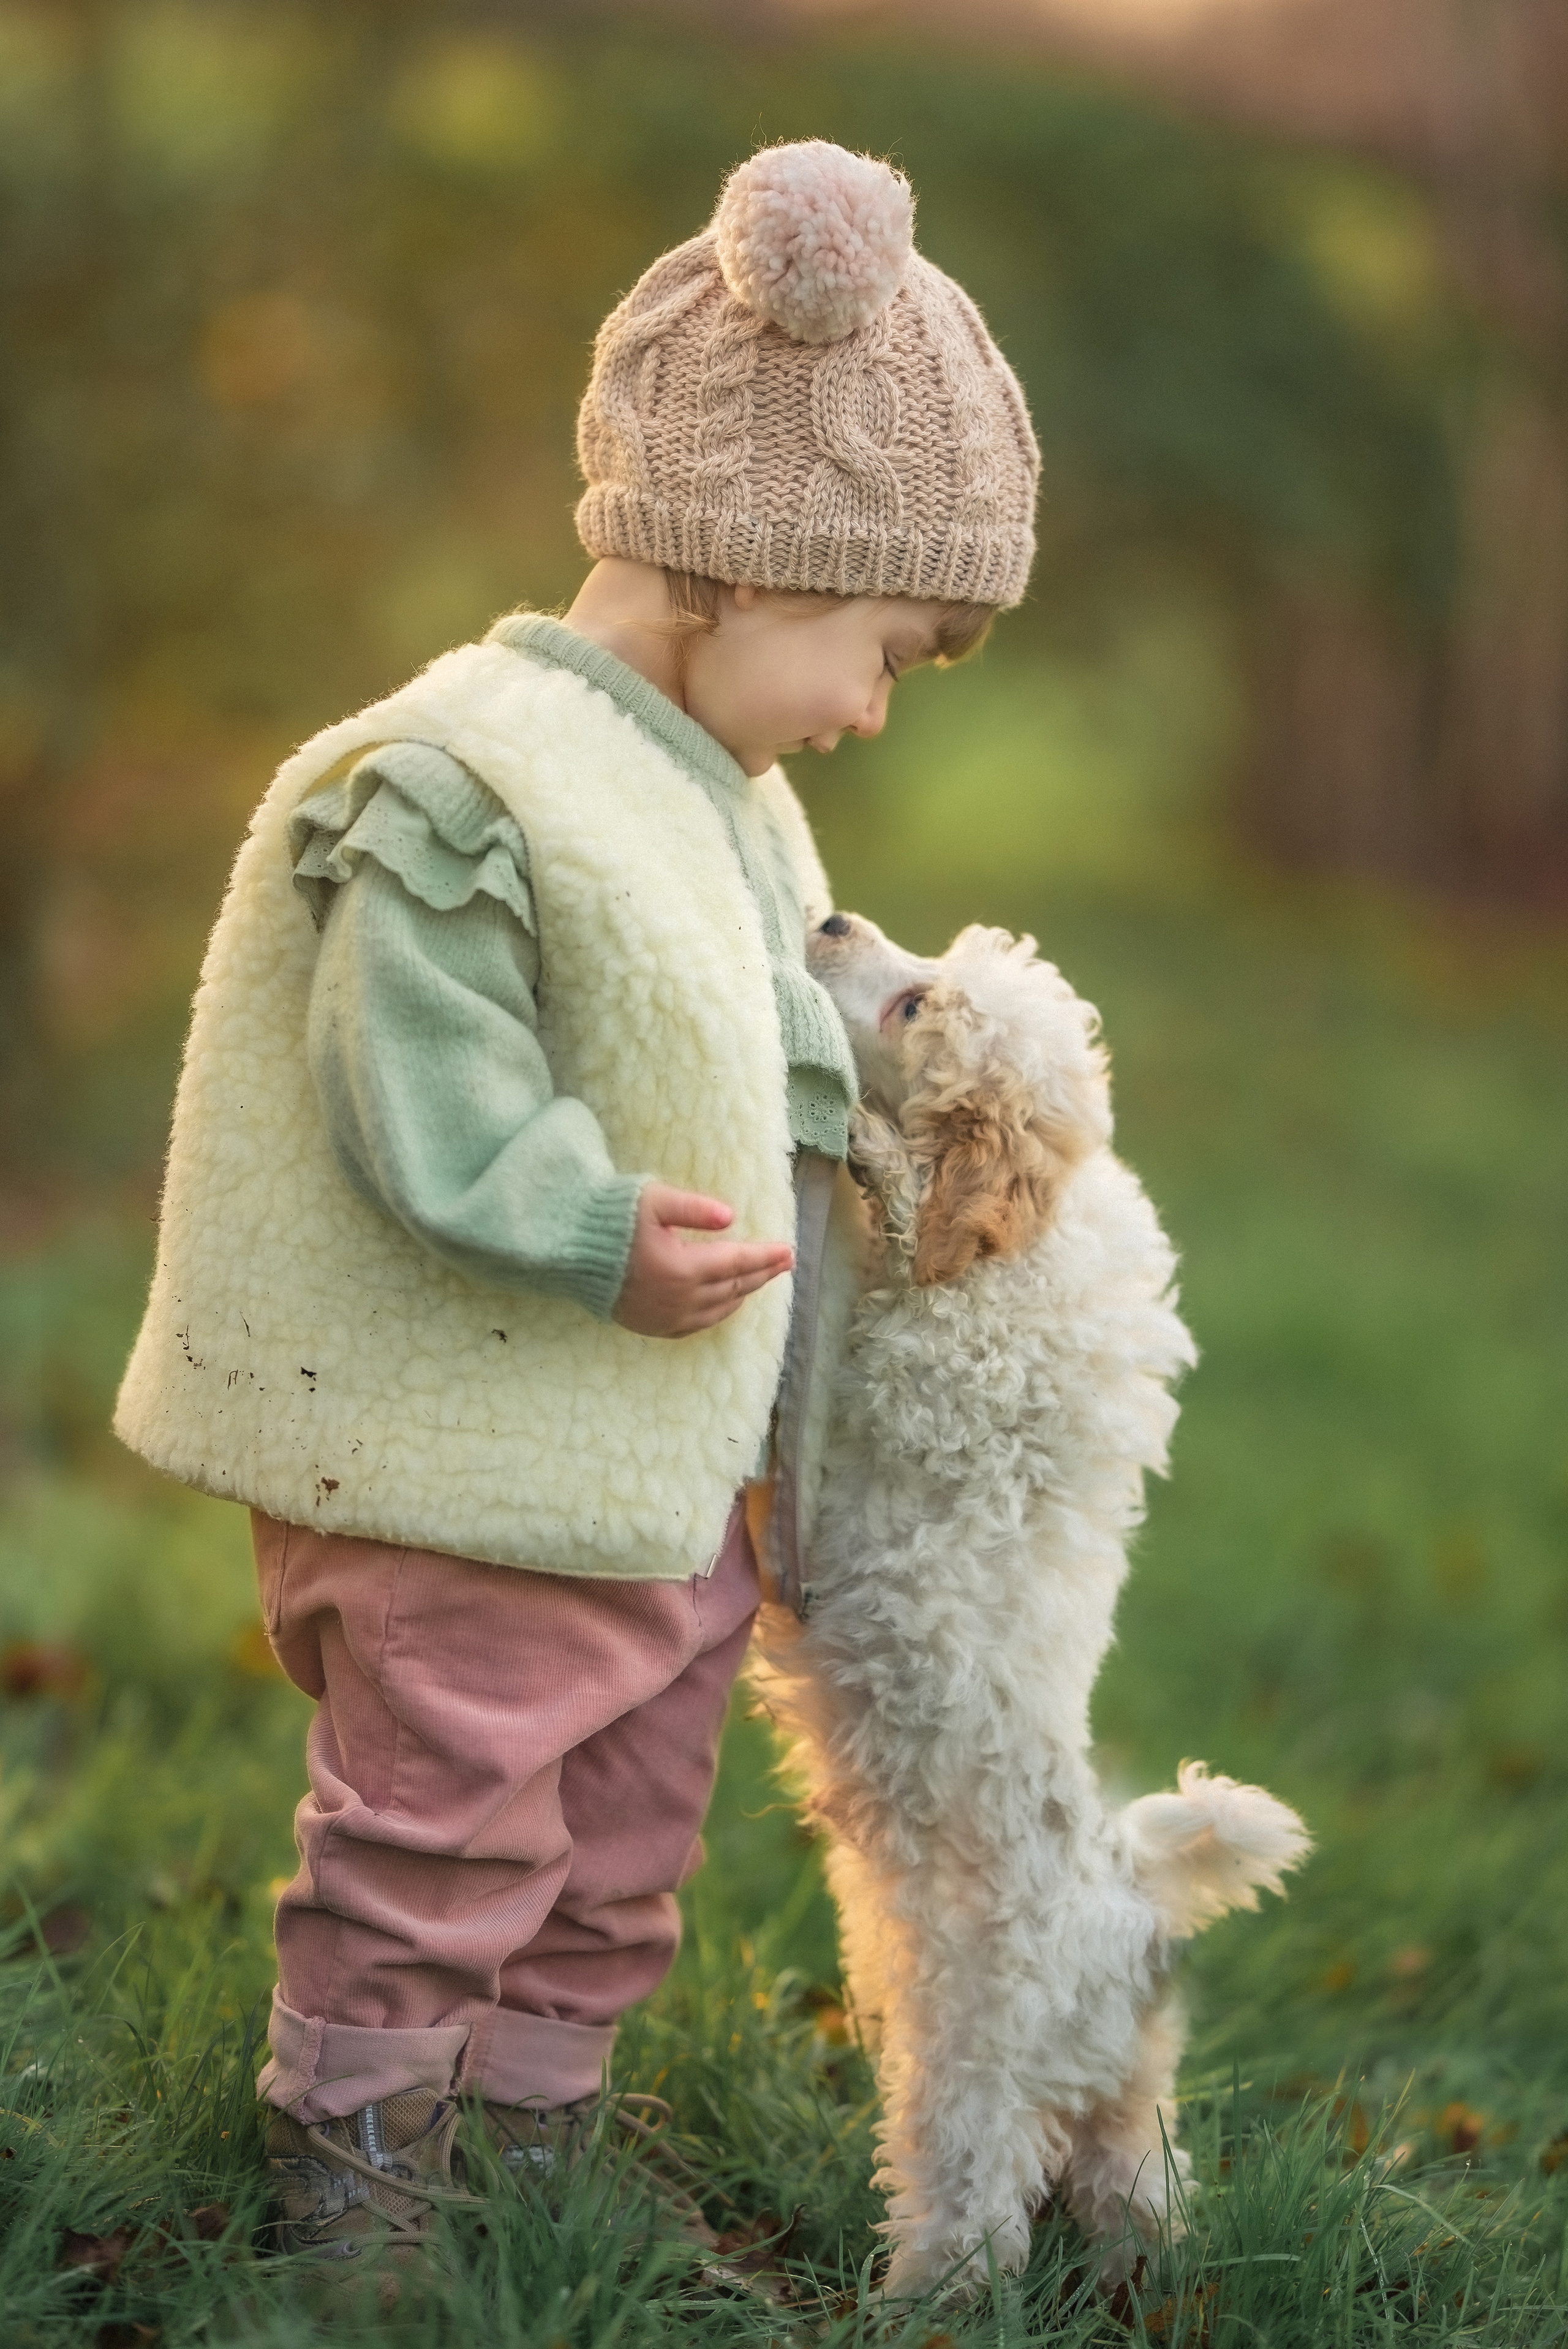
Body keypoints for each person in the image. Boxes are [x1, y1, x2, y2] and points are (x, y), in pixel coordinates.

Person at [114, 137, 1039, 2268]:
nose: (873, 708)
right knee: (441, 1827)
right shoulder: (464, 776)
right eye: (878, 647)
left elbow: (784, 1064)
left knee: (620, 1845)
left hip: (658, 1484)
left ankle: (522, 2148)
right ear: (736, 563)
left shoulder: (734, 799)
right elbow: (417, 1083)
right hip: (469, 1472)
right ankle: (359, 2168)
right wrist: (592, 1223)